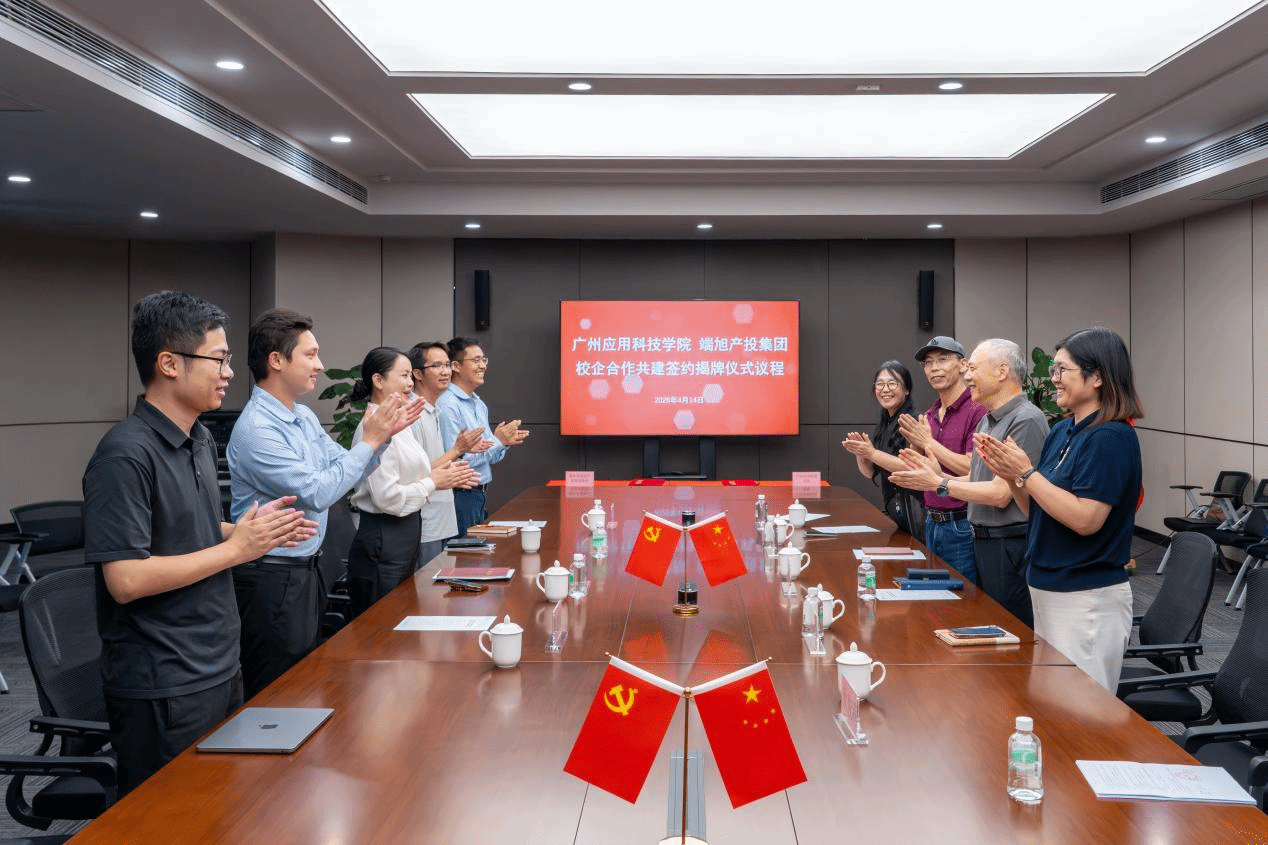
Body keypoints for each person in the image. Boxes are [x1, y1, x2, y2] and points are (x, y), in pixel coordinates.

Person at [83, 291, 314, 794]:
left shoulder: (200, 439)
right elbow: (125, 579)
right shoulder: (124, 456)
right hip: (165, 682)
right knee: (173, 819)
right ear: (169, 364)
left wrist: (250, 532)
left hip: (218, 664)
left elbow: (194, 531)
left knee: (224, 809)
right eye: (219, 360)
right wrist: (236, 550)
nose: (229, 373)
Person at [227, 310, 421, 697]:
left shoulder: (301, 415)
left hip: (306, 571)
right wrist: (370, 441)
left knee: (307, 682)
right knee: (279, 692)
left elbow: (344, 469)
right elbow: (319, 492)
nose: (319, 365)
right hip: (272, 577)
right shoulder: (257, 429)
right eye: (310, 355)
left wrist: (380, 440)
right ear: (276, 360)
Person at [976, 326, 1143, 692]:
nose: (1053, 378)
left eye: (1062, 370)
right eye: (1053, 369)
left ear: (1097, 377)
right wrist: (1014, 477)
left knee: (1082, 708)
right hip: (1048, 588)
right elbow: (1035, 509)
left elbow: (1086, 520)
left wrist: (1026, 473)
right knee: (1052, 702)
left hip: (1085, 596)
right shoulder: (1063, 431)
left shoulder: (1111, 437)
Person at [890, 339, 1048, 627]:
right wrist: (936, 477)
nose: (968, 375)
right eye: (928, 362)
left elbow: (1001, 493)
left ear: (1002, 371)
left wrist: (939, 482)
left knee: (1009, 628)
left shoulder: (1026, 419)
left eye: (973, 368)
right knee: (973, 620)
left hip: (1009, 542)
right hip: (982, 539)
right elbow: (977, 477)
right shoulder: (989, 420)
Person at [347, 347, 479, 616]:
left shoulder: (399, 421)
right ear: (378, 380)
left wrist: (444, 475)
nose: (410, 383)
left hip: (405, 532)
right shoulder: (373, 426)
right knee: (384, 624)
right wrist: (433, 482)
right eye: (403, 375)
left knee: (405, 618)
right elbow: (388, 498)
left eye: (410, 376)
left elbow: (414, 474)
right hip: (384, 536)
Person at [899, 336, 987, 584]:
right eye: (928, 363)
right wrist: (914, 447)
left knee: (963, 599)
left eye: (942, 359)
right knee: (936, 599)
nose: (934, 368)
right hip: (931, 521)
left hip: (962, 523)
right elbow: (919, 467)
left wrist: (928, 443)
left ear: (963, 365)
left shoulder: (978, 409)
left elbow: (974, 467)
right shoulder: (929, 413)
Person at [437, 337, 530, 536]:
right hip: (459, 495)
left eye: (484, 360)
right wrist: (498, 441)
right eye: (476, 360)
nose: (482, 366)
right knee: (462, 553)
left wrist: (503, 443)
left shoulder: (478, 404)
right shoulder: (448, 404)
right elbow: (456, 461)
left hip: (479, 494)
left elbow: (490, 458)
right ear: (456, 366)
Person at [408, 342, 490, 565]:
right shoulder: (412, 414)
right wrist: (457, 451)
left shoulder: (434, 410)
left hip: (443, 517)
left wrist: (458, 455)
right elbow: (415, 473)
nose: (445, 371)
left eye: (446, 365)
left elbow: (437, 464)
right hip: (426, 520)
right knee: (428, 582)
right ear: (417, 374)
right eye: (437, 366)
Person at [842, 360, 921, 536]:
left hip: (915, 513)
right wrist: (860, 453)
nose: (885, 389)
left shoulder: (913, 421)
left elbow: (911, 468)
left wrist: (871, 453)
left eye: (892, 383)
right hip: (895, 512)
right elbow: (870, 472)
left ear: (907, 389)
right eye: (880, 384)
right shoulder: (885, 423)